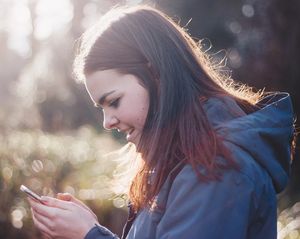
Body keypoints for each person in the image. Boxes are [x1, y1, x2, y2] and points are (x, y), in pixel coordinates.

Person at [28, 4, 295, 239]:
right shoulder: (186, 158)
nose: (107, 122)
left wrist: (89, 234)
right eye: (102, 107)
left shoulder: (216, 167)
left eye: (114, 101)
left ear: (155, 74)